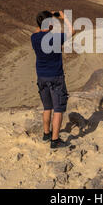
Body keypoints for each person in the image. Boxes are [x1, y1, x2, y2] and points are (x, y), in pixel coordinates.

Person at [31, 10, 75, 149]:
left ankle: (46, 134)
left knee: (47, 107)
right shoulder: (56, 37)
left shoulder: (34, 37)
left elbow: (38, 29)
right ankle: (55, 141)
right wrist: (63, 17)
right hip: (56, 76)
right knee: (58, 109)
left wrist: (45, 18)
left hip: (41, 77)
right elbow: (72, 31)